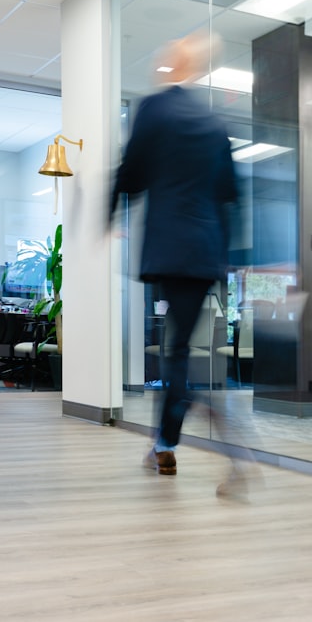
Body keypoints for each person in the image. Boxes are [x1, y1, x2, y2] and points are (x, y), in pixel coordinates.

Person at [110, 33, 240, 481]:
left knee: (175, 354)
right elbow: (229, 195)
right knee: (180, 346)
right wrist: (222, 260)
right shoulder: (213, 122)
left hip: (169, 247)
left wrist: (108, 213)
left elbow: (131, 171)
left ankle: (171, 438)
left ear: (177, 66)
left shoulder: (155, 108)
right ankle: (165, 441)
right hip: (205, 252)